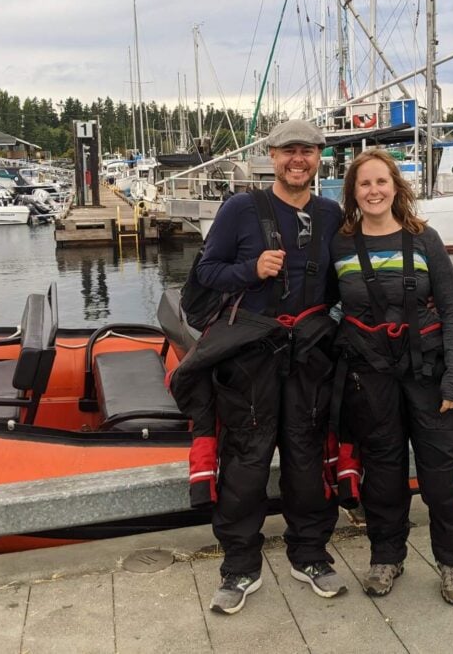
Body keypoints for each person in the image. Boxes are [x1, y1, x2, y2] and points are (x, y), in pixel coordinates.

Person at [169, 119, 345, 615]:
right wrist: (250, 270)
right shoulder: (240, 209)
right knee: (245, 462)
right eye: (289, 150)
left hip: (309, 355)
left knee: (308, 458)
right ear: (272, 156)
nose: (298, 160)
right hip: (250, 358)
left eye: (308, 152)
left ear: (317, 159)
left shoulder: (331, 214)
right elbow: (204, 274)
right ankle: (240, 566)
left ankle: (309, 554)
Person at [330, 148, 453, 605]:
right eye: (364, 184)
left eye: (382, 182)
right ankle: (386, 555)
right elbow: (326, 308)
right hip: (372, 377)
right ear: (353, 193)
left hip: (430, 374)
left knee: (442, 472)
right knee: (382, 473)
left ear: (397, 188)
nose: (374, 191)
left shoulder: (425, 239)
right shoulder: (341, 244)